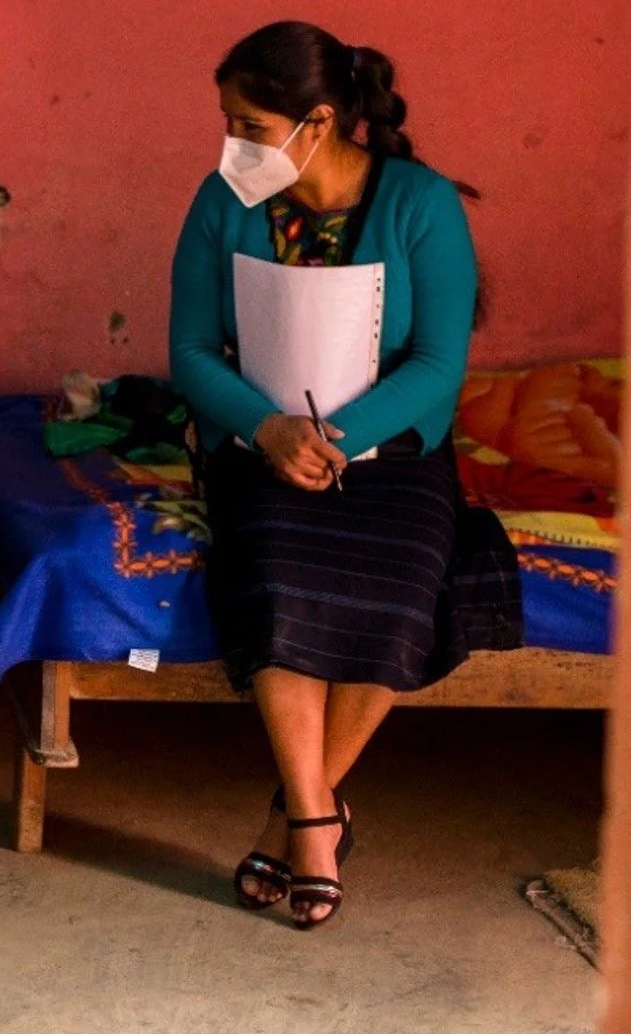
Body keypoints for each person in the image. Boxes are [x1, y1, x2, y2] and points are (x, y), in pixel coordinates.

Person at [169, 22, 514, 928]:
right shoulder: (222, 204)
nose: (233, 145)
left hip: (395, 456)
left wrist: (339, 432)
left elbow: (439, 365)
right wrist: (271, 431)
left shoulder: (421, 204)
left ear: (316, 122)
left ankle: (295, 811)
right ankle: (321, 825)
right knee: (278, 583)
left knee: (403, 594)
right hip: (260, 451)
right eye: (228, 123)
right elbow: (193, 351)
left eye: (250, 125)